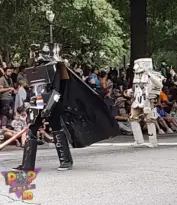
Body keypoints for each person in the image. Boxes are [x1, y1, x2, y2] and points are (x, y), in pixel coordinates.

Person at [13, 43, 121, 172]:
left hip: (53, 103)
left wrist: (49, 107)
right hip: (38, 102)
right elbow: (36, 89)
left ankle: (66, 160)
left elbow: (56, 90)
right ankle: (27, 164)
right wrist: (32, 103)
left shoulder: (56, 68)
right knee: (32, 129)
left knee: (56, 128)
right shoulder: (35, 70)